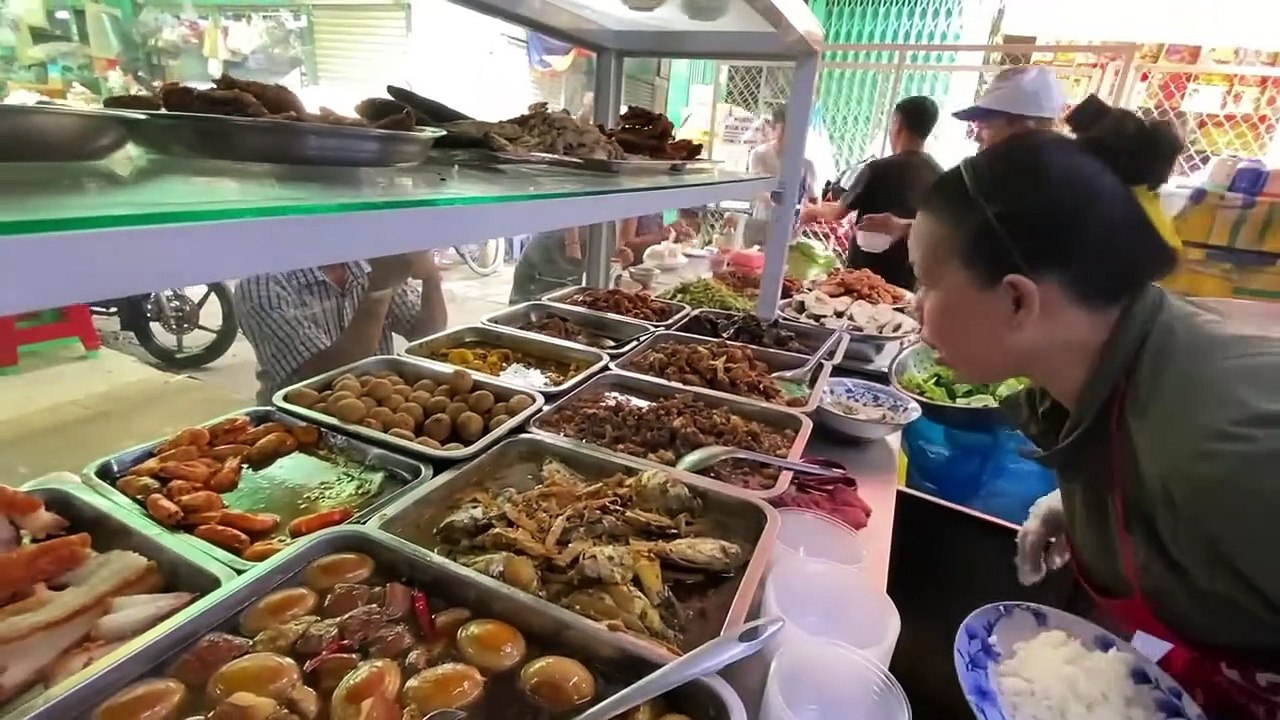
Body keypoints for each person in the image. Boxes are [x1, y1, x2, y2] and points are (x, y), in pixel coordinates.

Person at [906, 101, 1280, 717]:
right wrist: (1092, 501)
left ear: (1017, 302)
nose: (917, 308)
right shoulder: (1112, 371)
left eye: (925, 281)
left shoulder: (1224, 461)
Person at [859, 67, 1067, 243]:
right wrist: (903, 227)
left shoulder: (1050, 187)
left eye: (985, 126)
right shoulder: (1005, 176)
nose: (977, 137)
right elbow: (975, 232)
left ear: (1022, 126)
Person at [236, 252, 447, 405]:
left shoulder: (361, 260)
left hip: (377, 408)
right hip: (299, 422)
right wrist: (380, 289)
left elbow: (426, 335)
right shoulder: (262, 283)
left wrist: (431, 278)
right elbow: (327, 370)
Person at [800, 95, 942, 289]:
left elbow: (837, 213)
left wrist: (809, 211)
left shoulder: (877, 169)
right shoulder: (939, 175)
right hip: (907, 277)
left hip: (865, 275)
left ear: (897, 125)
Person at [508, 223, 634, 305]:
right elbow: (577, 280)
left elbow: (602, 279)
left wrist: (618, 263)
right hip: (534, 309)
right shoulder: (545, 244)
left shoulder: (599, 233)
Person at [747, 106, 818, 219]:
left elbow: (814, 200)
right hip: (763, 222)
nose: (791, 135)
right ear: (773, 129)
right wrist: (778, 211)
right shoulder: (760, 155)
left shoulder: (807, 165)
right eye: (785, 130)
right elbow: (759, 190)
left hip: (792, 227)